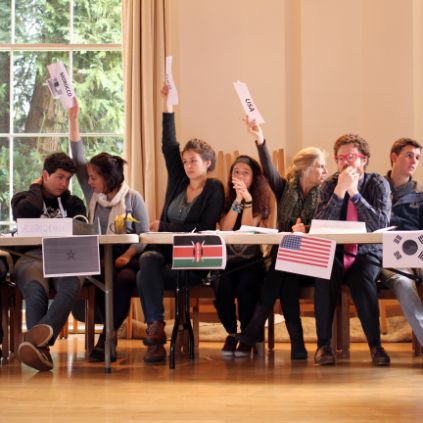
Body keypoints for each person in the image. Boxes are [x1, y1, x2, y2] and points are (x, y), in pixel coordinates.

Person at [136, 83, 225, 363]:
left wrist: (164, 227)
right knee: (147, 260)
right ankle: (156, 327)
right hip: (165, 258)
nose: (187, 165)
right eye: (185, 161)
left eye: (194, 160)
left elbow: (205, 229)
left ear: (208, 162)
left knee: (144, 272)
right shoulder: (178, 182)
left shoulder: (214, 189)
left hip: (194, 263)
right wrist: (167, 105)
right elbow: (168, 145)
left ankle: (155, 339)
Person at [236, 118, 327, 360]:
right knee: (284, 276)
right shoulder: (284, 188)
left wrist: (306, 229)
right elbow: (267, 167)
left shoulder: (327, 193)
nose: (325, 172)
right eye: (320, 166)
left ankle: (253, 333)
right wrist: (260, 139)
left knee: (280, 272)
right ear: (305, 169)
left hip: (313, 260)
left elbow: (328, 225)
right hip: (286, 259)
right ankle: (296, 346)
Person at [68, 98, 150, 362]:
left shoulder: (133, 198)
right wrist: (73, 118)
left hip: (127, 255)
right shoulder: (93, 196)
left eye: (94, 177)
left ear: (108, 178)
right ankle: (107, 335)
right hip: (97, 255)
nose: (89, 181)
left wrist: (128, 254)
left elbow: (144, 235)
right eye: (89, 177)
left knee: (123, 278)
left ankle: (108, 336)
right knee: (99, 277)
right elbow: (78, 157)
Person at [313, 133, 391, 366]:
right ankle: (323, 346)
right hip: (335, 251)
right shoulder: (329, 184)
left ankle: (375, 346)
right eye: (340, 158)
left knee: (363, 280)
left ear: (364, 159)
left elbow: (380, 225)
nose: (346, 162)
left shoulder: (377, 183)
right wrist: (339, 191)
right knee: (323, 275)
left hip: (366, 252)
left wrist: (354, 193)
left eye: (351, 157)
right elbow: (319, 224)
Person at [12, 152, 86, 371]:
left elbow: (82, 230)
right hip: (30, 257)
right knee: (35, 292)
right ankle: (41, 350)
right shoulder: (24, 198)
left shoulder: (73, 204)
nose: (64, 183)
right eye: (59, 177)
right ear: (45, 175)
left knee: (72, 283)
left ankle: (37, 345)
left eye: (68, 179)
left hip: (65, 256)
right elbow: (25, 212)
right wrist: (37, 188)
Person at [216, 155, 272, 357]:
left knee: (246, 288)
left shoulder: (261, 200)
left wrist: (247, 201)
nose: (239, 176)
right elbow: (225, 228)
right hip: (228, 261)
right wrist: (238, 200)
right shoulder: (224, 198)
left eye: (245, 173)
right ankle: (232, 333)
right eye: (236, 172)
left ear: (253, 178)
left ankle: (247, 335)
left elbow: (248, 232)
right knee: (223, 289)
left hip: (251, 261)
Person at [380, 138, 423, 347]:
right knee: (405, 284)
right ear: (394, 157)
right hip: (386, 256)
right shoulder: (375, 188)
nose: (414, 161)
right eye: (409, 155)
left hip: (418, 253)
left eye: (417, 157)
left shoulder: (420, 193)